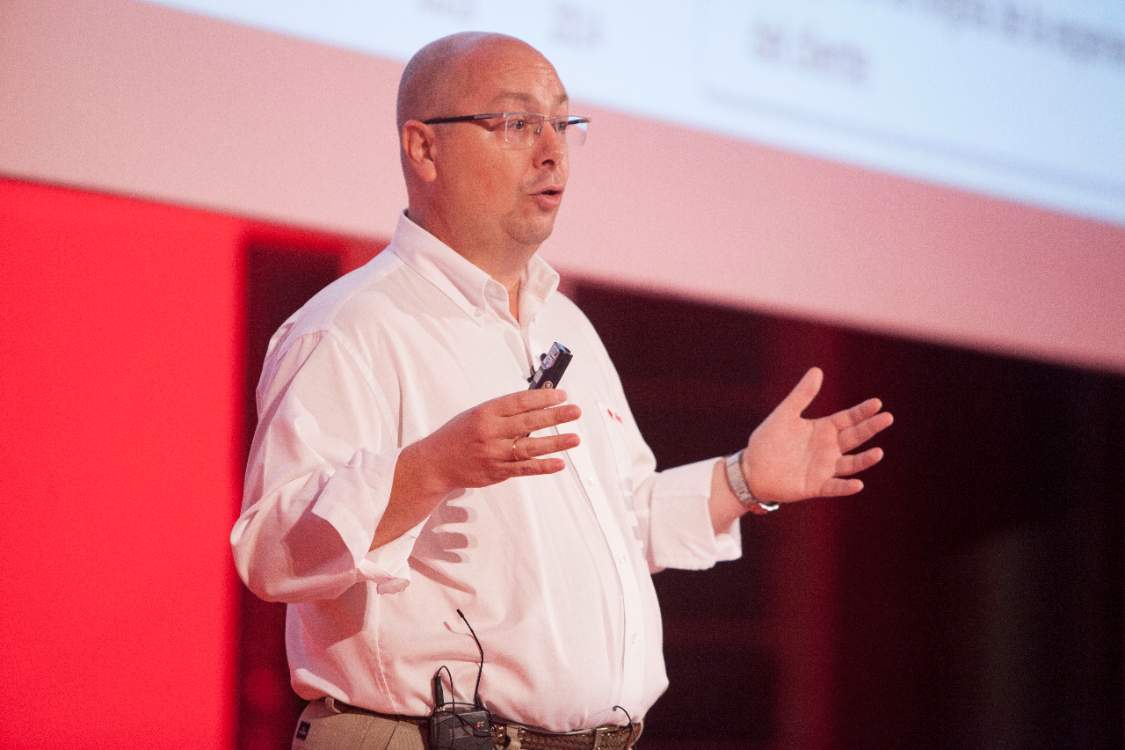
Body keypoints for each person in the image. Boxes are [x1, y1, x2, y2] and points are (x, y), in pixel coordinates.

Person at [231, 31, 893, 750]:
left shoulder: (560, 319)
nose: (552, 151)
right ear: (423, 149)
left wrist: (739, 481)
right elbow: (270, 552)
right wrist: (432, 469)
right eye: (517, 124)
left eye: (563, 122)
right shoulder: (350, 326)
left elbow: (619, 524)